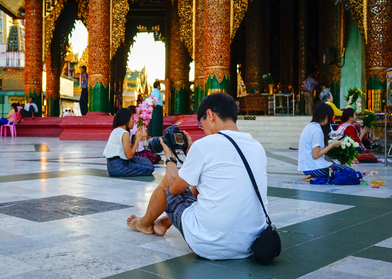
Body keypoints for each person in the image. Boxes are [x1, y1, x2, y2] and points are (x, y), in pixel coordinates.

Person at [127, 93, 267, 260]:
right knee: (204, 183)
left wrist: (170, 157)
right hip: (251, 244)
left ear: (210, 115)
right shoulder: (257, 146)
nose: (203, 129)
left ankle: (144, 223)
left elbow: (174, 188)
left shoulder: (205, 145)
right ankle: (163, 223)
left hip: (209, 244)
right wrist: (192, 153)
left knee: (168, 182)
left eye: (201, 124)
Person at [298, 102, 356, 182]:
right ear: (326, 117)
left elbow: (321, 155)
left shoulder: (310, 127)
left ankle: (315, 176)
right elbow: (316, 155)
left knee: (343, 169)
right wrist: (332, 145)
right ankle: (317, 178)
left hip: (308, 168)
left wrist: (333, 164)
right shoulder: (317, 130)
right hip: (316, 168)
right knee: (351, 173)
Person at [103, 108, 154, 177]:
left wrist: (135, 137)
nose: (134, 121)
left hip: (113, 165)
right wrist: (137, 139)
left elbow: (128, 151)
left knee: (144, 160)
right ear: (126, 120)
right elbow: (129, 155)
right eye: (132, 118)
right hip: (119, 167)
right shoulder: (124, 133)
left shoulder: (116, 130)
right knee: (149, 168)